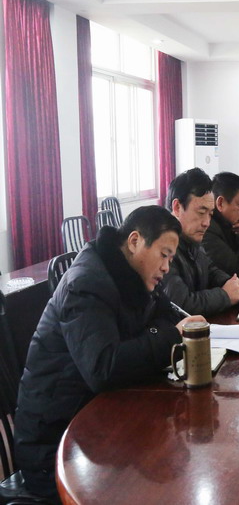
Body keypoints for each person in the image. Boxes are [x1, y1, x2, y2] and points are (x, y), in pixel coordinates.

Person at [14, 206, 205, 500]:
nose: (167, 267)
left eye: (171, 258)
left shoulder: (132, 273)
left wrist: (169, 331)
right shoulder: (87, 284)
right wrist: (171, 335)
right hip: (54, 444)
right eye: (164, 255)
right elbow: (103, 368)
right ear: (135, 241)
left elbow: (165, 314)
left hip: (96, 423)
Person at [163, 168, 239, 316]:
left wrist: (231, 283)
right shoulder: (162, 248)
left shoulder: (192, 241)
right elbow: (182, 304)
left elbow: (211, 271)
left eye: (210, 214)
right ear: (177, 207)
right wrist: (225, 295)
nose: (206, 222)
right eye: (201, 213)